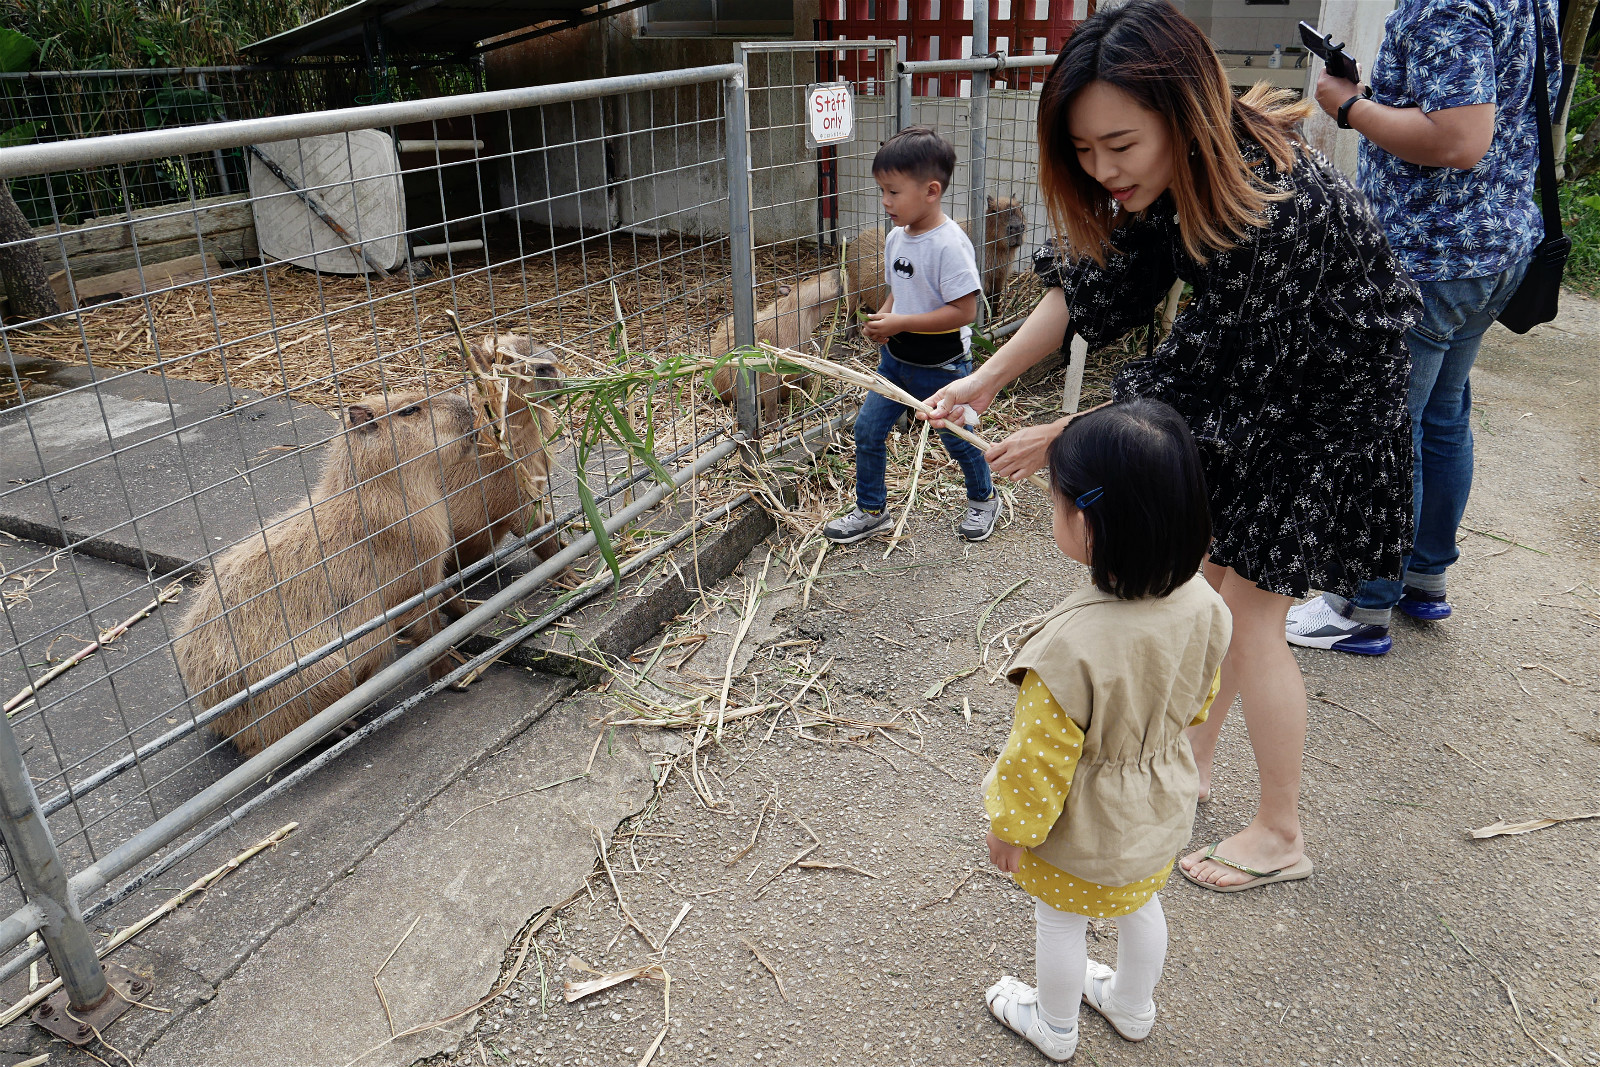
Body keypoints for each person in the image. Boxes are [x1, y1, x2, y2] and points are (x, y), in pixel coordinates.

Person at [927, 0, 1421, 890]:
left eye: (1121, 145)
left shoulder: (1276, 211)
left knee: (1253, 619)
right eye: (1084, 151)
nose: (1104, 169)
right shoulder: (1176, 175)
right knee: (1220, 597)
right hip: (1265, 383)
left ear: (1182, 112)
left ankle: (1280, 831)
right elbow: (1095, 288)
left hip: (1322, 411)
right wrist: (987, 379)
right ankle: (1188, 773)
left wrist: (1069, 434)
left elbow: (1203, 377)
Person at [1286, 0, 1562, 655]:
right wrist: (1382, 96)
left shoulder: (1448, 2)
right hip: (1493, 247)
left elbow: (1461, 139)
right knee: (1441, 412)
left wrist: (1349, 108)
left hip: (1431, 254)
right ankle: (1422, 573)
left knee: (1385, 425)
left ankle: (1359, 602)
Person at [982, 400, 1231, 1062]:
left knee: (1061, 920)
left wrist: (1010, 827)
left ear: (1088, 524)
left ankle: (1055, 1025)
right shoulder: (1205, 602)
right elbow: (1200, 697)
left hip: (1084, 825)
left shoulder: (1070, 647)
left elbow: (1037, 760)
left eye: (1057, 501)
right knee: (1141, 907)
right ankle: (1131, 1005)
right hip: (1159, 799)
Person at [822, 126, 999, 545]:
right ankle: (871, 510)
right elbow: (897, 291)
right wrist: (884, 320)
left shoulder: (949, 246)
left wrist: (900, 323)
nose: (885, 202)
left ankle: (983, 498)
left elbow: (964, 312)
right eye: (882, 191)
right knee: (867, 431)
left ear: (931, 191)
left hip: (943, 367)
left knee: (956, 439)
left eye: (893, 192)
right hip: (896, 363)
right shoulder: (897, 238)